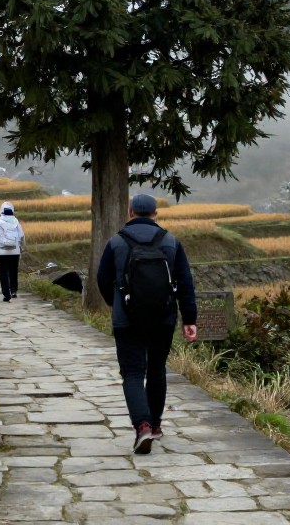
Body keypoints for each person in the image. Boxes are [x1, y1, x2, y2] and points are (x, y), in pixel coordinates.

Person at [95, 194, 198, 454]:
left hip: (126, 319)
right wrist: (190, 319)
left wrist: (116, 304)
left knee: (132, 373)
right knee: (156, 370)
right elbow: (185, 283)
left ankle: (142, 426)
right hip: (163, 318)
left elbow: (102, 278)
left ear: (130, 212)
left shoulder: (116, 242)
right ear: (155, 214)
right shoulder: (170, 241)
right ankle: (156, 423)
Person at [0, 202, 26, 302]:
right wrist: (22, 247)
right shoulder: (16, 222)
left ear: (1, 212)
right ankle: (13, 290)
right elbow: (22, 236)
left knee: (3, 272)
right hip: (15, 251)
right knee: (14, 271)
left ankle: (6, 293)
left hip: (1, 252)